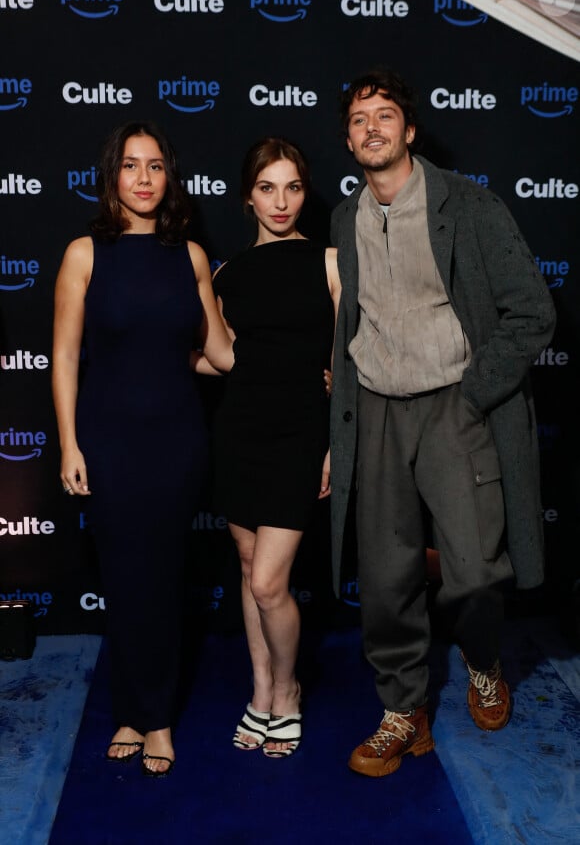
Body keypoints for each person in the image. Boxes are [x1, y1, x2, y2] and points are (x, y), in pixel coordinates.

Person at [329, 69, 556, 777]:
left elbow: (533, 313)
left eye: (385, 114)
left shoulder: (471, 206)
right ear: (348, 138)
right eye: (360, 118)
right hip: (377, 412)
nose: (372, 127)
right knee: (388, 579)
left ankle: (483, 662)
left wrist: (473, 395)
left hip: (455, 405)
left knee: (476, 574)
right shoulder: (346, 217)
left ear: (410, 130)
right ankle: (403, 709)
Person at [52, 120, 233, 777]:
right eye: (132, 166)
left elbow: (217, 355)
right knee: (125, 582)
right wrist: (70, 442)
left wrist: (291, 355)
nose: (144, 178)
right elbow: (67, 354)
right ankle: (129, 709)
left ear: (169, 177)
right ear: (113, 177)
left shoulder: (187, 256)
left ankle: (155, 718)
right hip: (107, 440)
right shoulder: (83, 254)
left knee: (161, 580)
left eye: (156, 166)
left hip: (177, 441)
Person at [210, 137, 341, 757]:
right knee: (244, 565)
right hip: (240, 430)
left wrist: (336, 443)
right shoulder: (226, 274)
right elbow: (224, 357)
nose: (281, 201)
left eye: (292, 187)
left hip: (300, 436)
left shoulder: (331, 263)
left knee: (268, 582)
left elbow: (354, 362)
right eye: (267, 187)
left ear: (304, 192)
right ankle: (259, 689)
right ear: (248, 196)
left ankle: (287, 691)